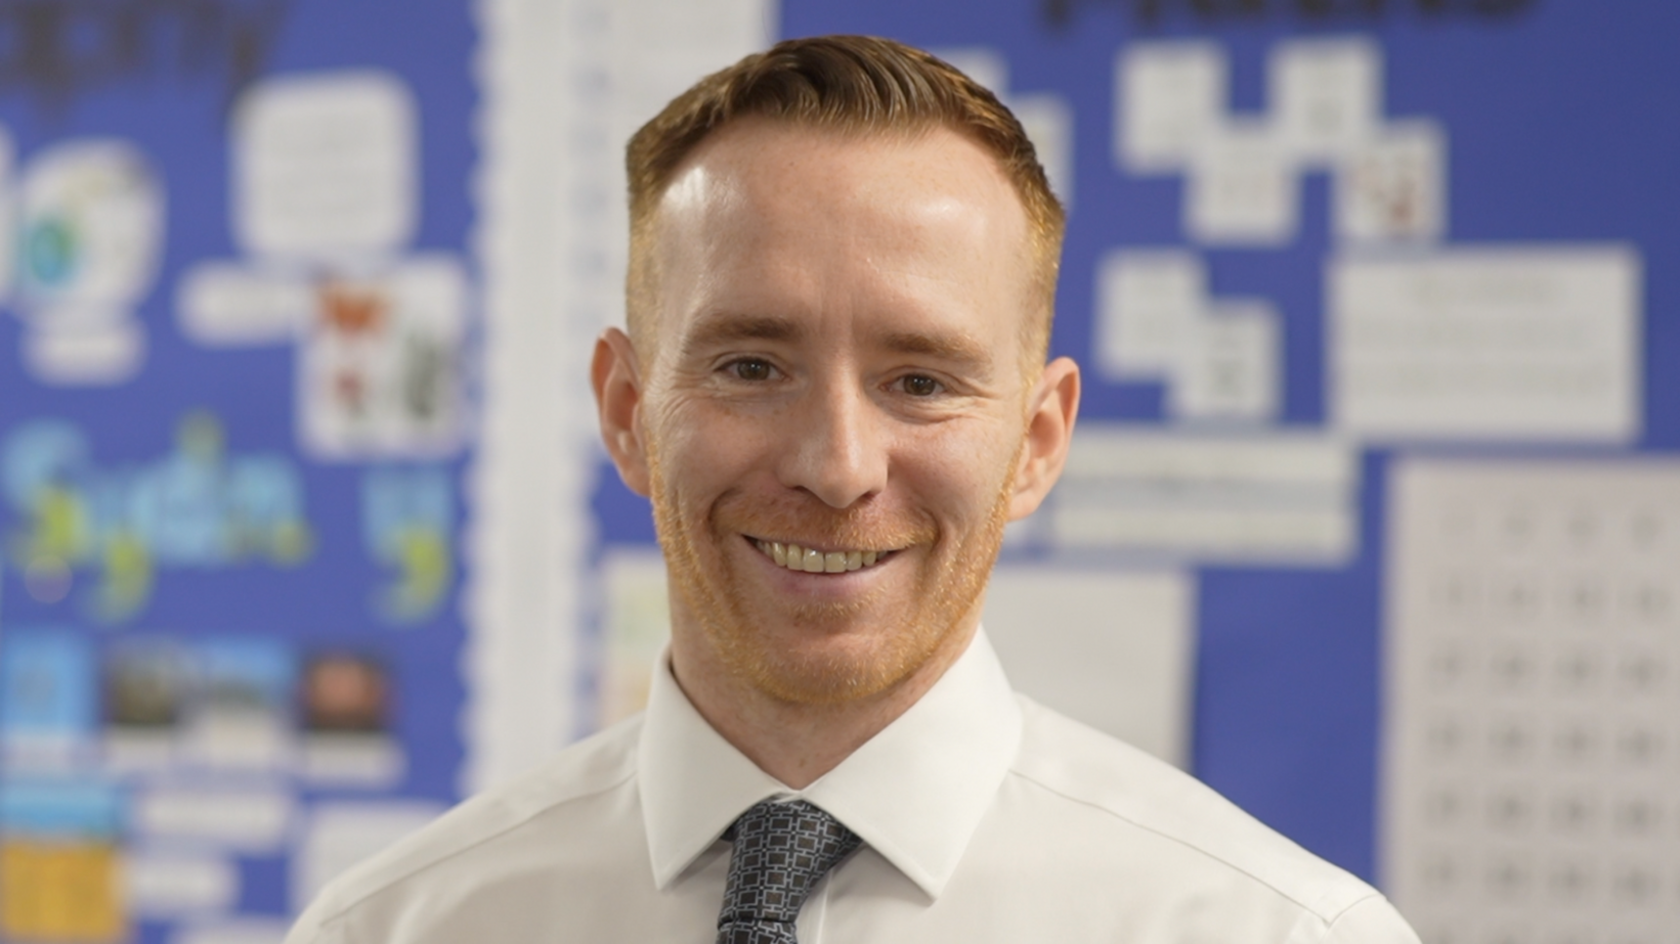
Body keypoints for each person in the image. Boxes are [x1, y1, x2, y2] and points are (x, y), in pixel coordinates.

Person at [286, 35, 1420, 943]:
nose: (837, 466)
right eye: (749, 366)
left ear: (1035, 439)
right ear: (628, 411)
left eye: (920, 380)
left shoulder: (1271, 928)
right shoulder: (392, 926)